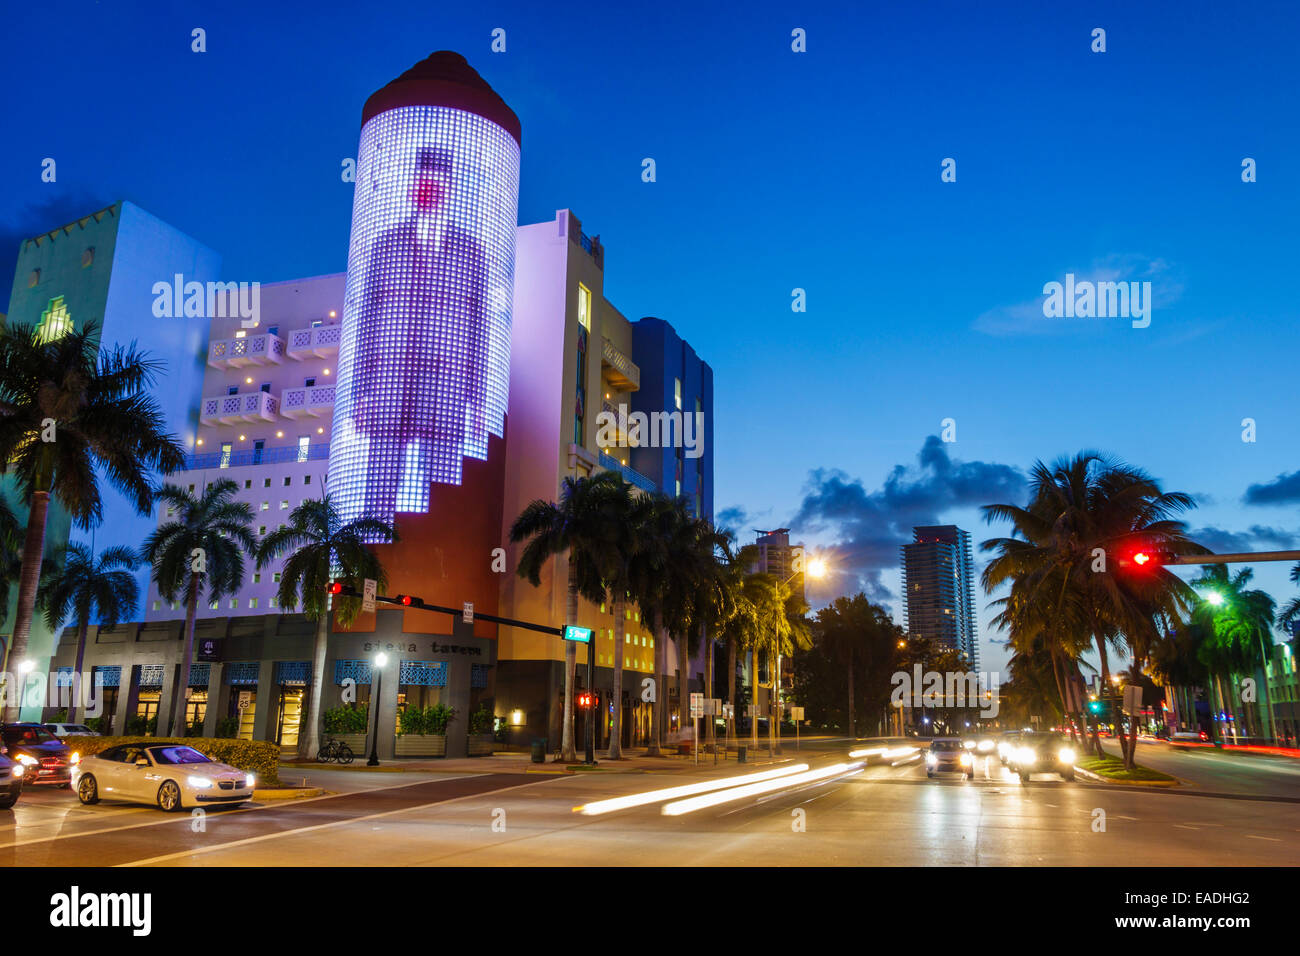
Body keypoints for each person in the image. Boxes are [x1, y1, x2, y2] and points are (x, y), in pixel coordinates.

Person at [350, 146, 489, 520]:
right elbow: (366, 321)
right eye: (423, 180)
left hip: (445, 384)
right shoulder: (386, 245)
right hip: (390, 379)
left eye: (437, 182)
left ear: (450, 188)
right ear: (414, 185)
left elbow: (480, 333)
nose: (429, 188)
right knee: (378, 490)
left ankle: (435, 560)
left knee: (441, 492)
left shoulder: (471, 253)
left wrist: (475, 400)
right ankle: (372, 554)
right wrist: (361, 392)